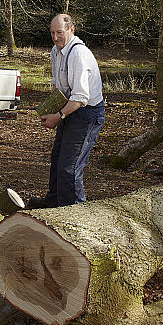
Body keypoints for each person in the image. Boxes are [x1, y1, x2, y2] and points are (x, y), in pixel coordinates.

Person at [33, 14, 104, 208]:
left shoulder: (78, 54)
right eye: (52, 33)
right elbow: (58, 87)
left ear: (71, 30)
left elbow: (80, 97)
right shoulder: (55, 51)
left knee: (70, 166)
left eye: (60, 33)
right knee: (57, 159)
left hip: (87, 112)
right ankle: (54, 203)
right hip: (70, 108)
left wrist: (58, 116)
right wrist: (49, 110)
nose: (56, 37)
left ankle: (74, 213)